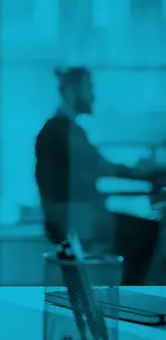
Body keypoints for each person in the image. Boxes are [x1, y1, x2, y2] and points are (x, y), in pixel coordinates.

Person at [35, 67, 162, 285]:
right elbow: (99, 165)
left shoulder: (67, 130)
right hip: (79, 221)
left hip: (82, 217)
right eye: (89, 89)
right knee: (149, 233)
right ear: (73, 91)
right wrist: (145, 173)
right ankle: (134, 300)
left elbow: (94, 168)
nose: (93, 96)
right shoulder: (59, 131)